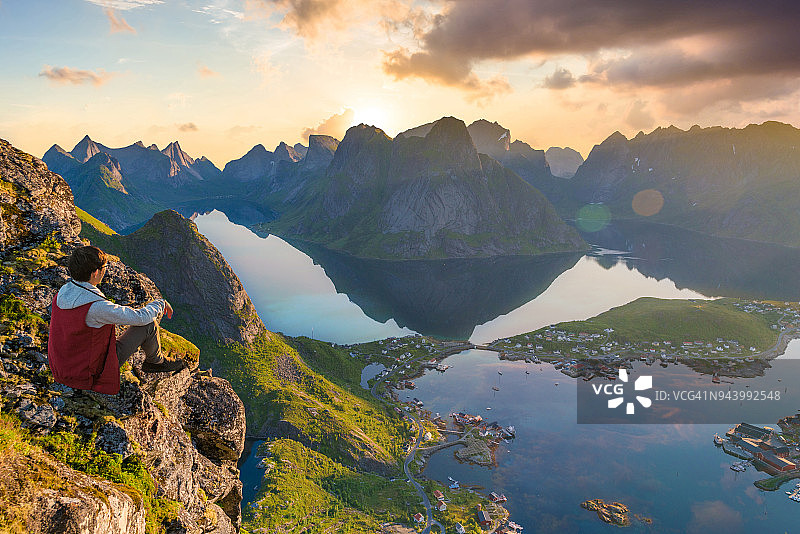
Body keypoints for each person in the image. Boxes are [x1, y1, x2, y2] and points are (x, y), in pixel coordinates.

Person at [48, 245, 185, 395]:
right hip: (85, 374)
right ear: (95, 273)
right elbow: (140, 317)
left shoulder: (63, 292)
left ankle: (155, 361)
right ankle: (156, 362)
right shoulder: (96, 307)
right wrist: (160, 303)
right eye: (104, 267)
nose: (105, 271)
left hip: (62, 366)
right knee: (148, 324)